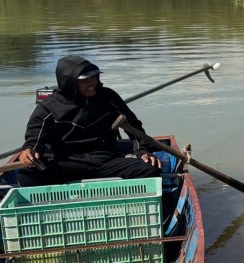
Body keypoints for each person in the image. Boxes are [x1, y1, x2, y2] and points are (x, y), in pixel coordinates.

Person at [19, 55, 161, 184]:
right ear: (70, 83)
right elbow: (33, 141)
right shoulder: (48, 108)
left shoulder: (108, 97)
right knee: (26, 177)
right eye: (85, 80)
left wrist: (142, 151)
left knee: (150, 169)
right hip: (66, 162)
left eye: (94, 77)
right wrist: (29, 151)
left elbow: (134, 127)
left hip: (105, 159)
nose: (92, 82)